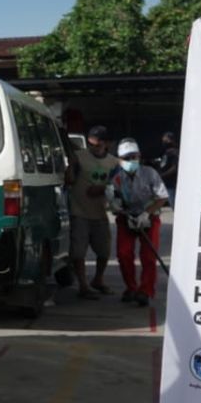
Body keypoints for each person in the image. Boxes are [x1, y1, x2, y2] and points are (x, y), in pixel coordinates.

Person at [110, 138, 169, 308]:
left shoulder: (150, 173)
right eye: (126, 158)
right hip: (126, 218)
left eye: (134, 157)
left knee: (149, 256)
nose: (131, 161)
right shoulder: (117, 178)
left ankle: (145, 291)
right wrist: (117, 206)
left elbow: (162, 197)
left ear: (140, 156)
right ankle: (131, 287)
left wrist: (146, 214)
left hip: (149, 218)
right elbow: (113, 199)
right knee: (123, 254)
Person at [66, 125, 119, 300]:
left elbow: (118, 185)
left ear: (106, 144)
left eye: (97, 145)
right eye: (91, 144)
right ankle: (83, 285)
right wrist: (70, 170)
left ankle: (98, 279)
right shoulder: (78, 157)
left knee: (104, 251)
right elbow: (70, 179)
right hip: (79, 211)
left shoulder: (113, 162)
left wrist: (103, 188)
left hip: (100, 213)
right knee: (78, 252)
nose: (93, 148)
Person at [157, 131, 179, 207]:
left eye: (166, 140)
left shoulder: (174, 152)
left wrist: (163, 175)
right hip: (166, 183)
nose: (164, 142)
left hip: (172, 183)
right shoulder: (166, 152)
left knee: (174, 204)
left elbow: (174, 168)